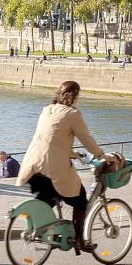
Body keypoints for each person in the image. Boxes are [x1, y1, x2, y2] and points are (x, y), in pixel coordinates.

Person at [16, 81, 112, 252]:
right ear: (74, 96)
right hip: (52, 166)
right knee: (80, 199)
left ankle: (40, 229)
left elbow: (53, 140)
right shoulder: (72, 114)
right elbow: (87, 140)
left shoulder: (47, 109)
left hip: (32, 163)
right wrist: (102, 155)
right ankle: (79, 240)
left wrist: (75, 154)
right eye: (78, 95)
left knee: (50, 196)